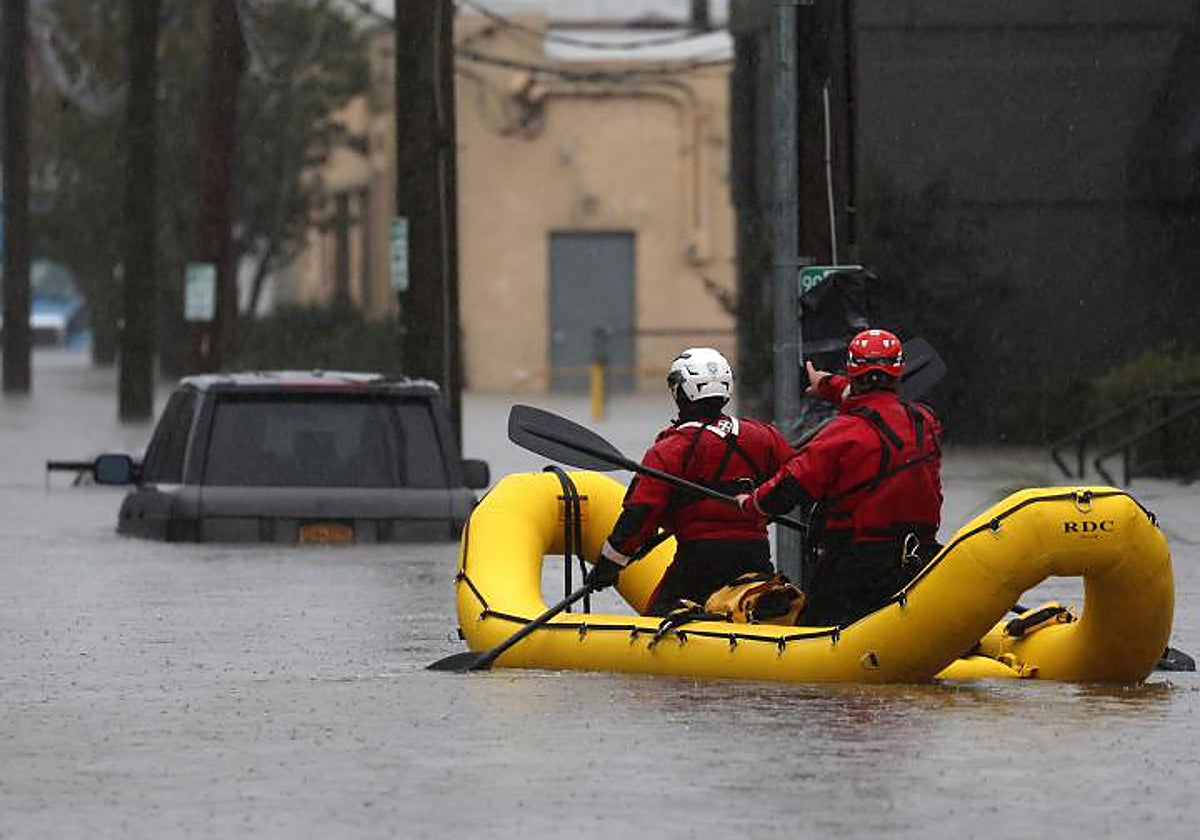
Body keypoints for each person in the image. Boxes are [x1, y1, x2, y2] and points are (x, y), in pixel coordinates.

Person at [737, 328, 943, 626]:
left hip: (857, 566)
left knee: (814, 626)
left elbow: (789, 487)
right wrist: (829, 385)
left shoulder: (842, 433)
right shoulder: (926, 421)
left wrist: (752, 504)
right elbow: (877, 406)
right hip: (920, 558)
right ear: (898, 371)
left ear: (852, 371)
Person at [586, 347, 797, 616]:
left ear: (682, 391)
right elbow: (796, 480)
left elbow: (640, 515)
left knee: (656, 620)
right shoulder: (764, 436)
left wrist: (608, 564)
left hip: (699, 560)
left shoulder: (670, 449)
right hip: (755, 556)